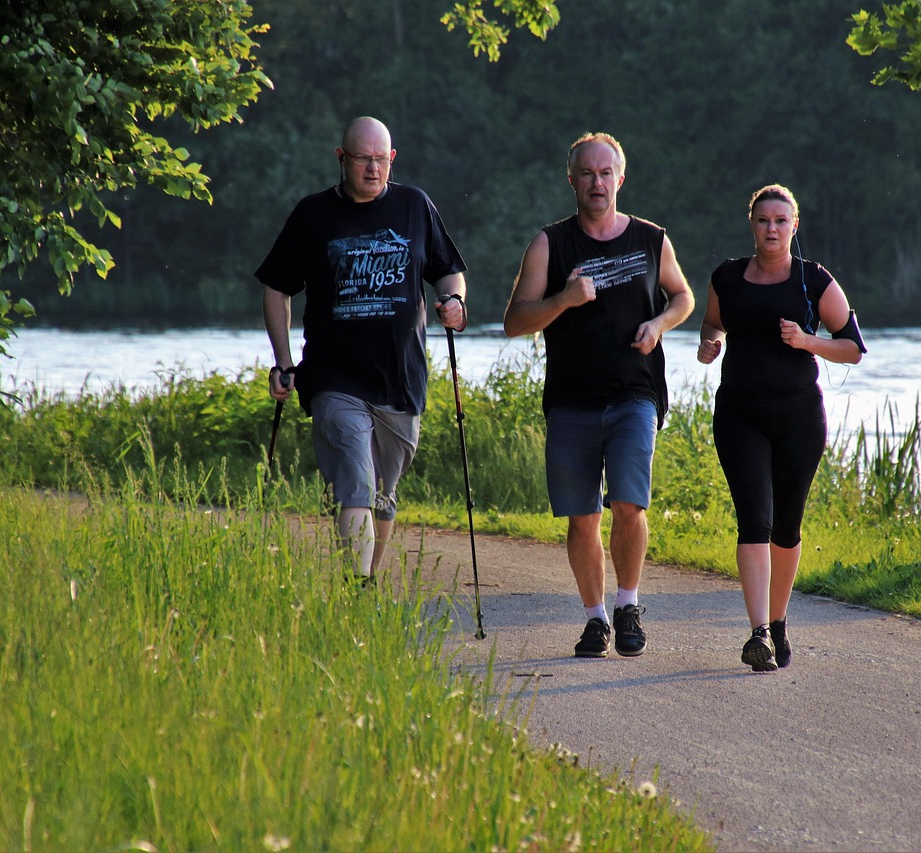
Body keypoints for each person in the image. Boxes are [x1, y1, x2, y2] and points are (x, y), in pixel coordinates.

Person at [503, 132, 695, 658]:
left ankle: (628, 605)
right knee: (582, 516)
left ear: (620, 179)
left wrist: (659, 323)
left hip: (635, 392)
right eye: (586, 173)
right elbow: (515, 320)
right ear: (572, 181)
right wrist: (563, 298)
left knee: (630, 504)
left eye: (605, 173)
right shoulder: (550, 243)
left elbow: (683, 296)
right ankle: (595, 619)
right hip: (571, 400)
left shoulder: (651, 239)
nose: (596, 182)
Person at [255, 116, 469, 583]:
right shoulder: (313, 215)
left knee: (383, 496)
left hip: (400, 379)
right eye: (362, 159)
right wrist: (283, 361)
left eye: (381, 160)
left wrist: (453, 300)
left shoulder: (414, 206)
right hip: (334, 379)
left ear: (392, 159)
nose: (373, 169)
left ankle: (365, 586)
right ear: (341, 158)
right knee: (356, 482)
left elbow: (448, 270)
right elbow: (276, 287)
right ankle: (358, 587)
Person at [696, 183, 866, 672]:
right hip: (739, 415)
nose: (772, 228)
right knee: (754, 520)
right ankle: (758, 635)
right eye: (763, 220)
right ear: (752, 225)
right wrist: (710, 344)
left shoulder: (814, 280)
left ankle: (778, 621)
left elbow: (852, 348)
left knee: (786, 528)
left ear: (795, 226)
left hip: (798, 418)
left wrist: (808, 341)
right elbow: (712, 324)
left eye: (781, 220)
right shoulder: (726, 278)